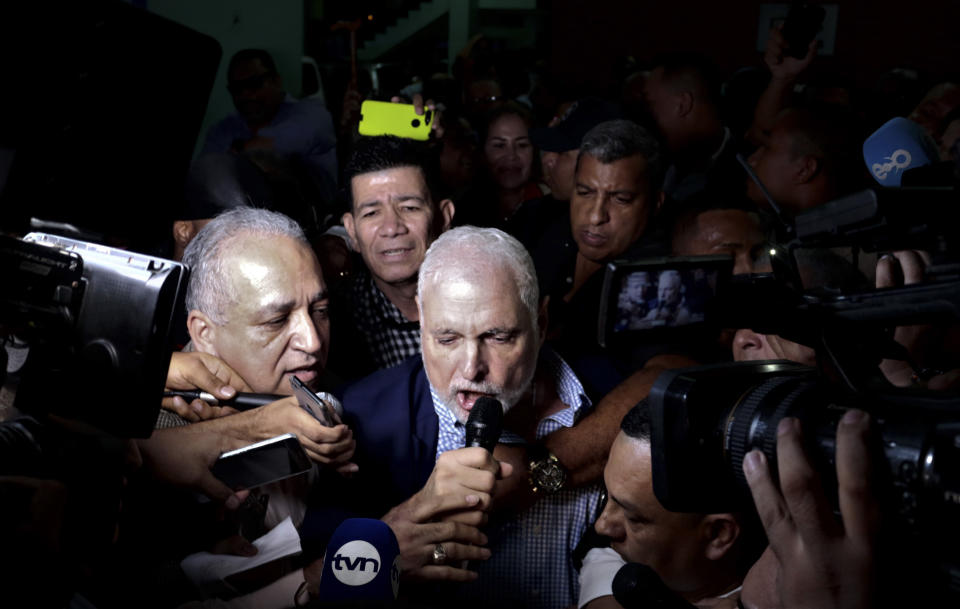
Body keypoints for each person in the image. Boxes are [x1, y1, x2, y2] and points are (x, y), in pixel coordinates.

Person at [338, 227, 602, 607]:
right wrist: (389, 552)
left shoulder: (602, 386)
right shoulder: (360, 421)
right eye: (447, 339)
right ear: (422, 323)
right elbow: (320, 575)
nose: (471, 367)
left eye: (498, 337)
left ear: (540, 324)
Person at [581, 402, 757, 608]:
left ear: (717, 534)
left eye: (633, 518)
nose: (601, 526)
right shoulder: (612, 558)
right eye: (607, 496)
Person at [332, 135, 455, 378]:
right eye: (371, 213)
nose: (392, 227)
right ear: (352, 231)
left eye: (409, 208)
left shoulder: (485, 300)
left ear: (444, 218)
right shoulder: (337, 323)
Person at [201, 49, 337, 189]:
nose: (246, 95)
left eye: (254, 83)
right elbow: (204, 177)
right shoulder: (222, 130)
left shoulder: (311, 113)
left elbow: (285, 142)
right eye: (237, 88)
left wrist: (240, 153)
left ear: (276, 81)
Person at [642, 54, 743, 202]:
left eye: (651, 104)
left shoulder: (745, 176)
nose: (645, 116)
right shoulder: (658, 164)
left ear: (682, 105)